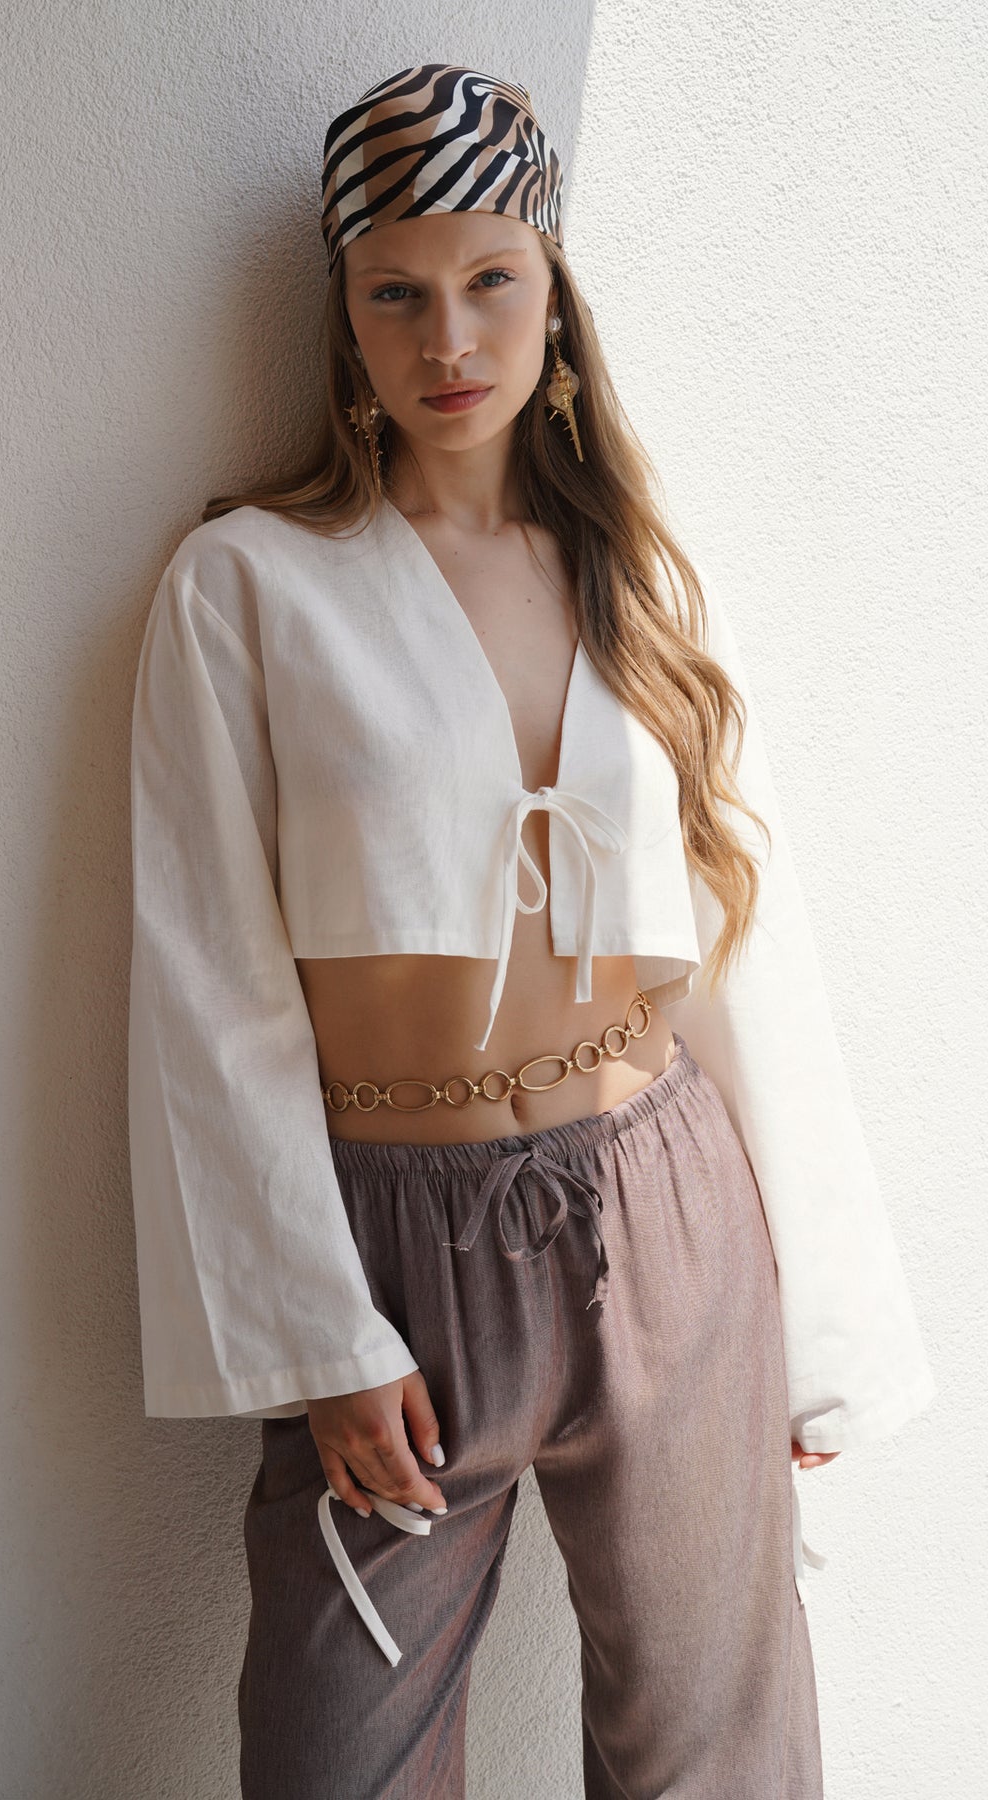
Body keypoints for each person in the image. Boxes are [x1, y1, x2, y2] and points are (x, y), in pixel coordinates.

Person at [127, 62, 935, 1800]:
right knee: (336, 1763)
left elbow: (747, 952)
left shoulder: (638, 572)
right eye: (396, 292)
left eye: (491, 279)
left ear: (554, 288)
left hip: (668, 1209)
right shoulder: (249, 586)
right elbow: (211, 992)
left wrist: (821, 1332)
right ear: (345, 315)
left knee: (714, 1754)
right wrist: (320, 1336)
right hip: (396, 1246)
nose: (449, 338)